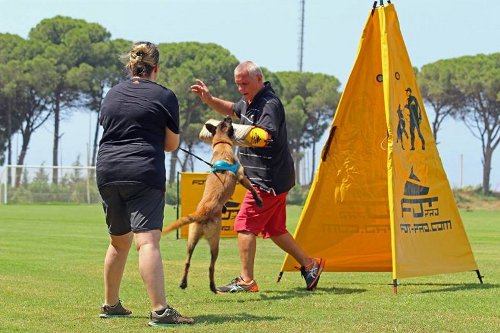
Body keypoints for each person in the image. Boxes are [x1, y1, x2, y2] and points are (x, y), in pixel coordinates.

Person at [190, 60, 325, 293]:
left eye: (245, 83)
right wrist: (210, 100)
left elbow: (266, 136)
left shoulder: (269, 104)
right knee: (275, 229)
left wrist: (236, 134)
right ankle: (310, 265)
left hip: (268, 180)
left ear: (259, 80)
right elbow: (233, 109)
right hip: (272, 178)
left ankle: (246, 280)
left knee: (244, 225)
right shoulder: (249, 102)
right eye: (238, 84)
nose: (241, 88)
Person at [96, 41, 194, 326]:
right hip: (143, 172)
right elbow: (171, 144)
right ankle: (160, 310)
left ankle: (110, 304)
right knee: (147, 242)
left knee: (118, 241)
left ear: (131, 65)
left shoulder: (112, 94)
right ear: (156, 68)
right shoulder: (165, 96)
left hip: (108, 171)